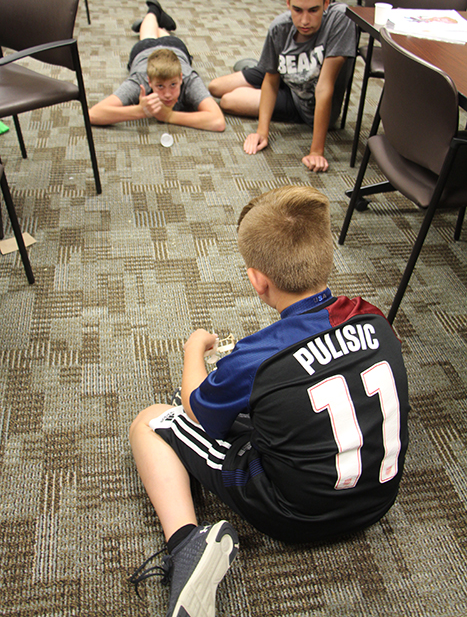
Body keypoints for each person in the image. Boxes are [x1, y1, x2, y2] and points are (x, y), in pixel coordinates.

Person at [129, 185, 409, 616]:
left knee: (151, 421)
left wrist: (193, 349)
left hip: (297, 514)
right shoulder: (372, 316)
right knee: (266, 402)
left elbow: (194, 407)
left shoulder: (257, 356)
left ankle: (186, 544)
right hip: (379, 501)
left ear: (257, 280)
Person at [208, 0, 357, 172]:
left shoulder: (340, 20)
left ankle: (254, 65)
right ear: (288, 4)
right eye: (297, 10)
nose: (304, 21)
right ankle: (256, 64)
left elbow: (324, 87)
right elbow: (271, 79)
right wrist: (262, 131)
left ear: (326, 2)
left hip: (303, 99)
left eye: (314, 10)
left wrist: (316, 151)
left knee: (228, 100)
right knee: (215, 87)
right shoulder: (279, 27)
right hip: (284, 72)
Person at [89, 0, 226, 132]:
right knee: (148, 37)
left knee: (156, 36)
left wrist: (169, 116)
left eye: (173, 85)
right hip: (144, 50)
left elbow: (218, 122)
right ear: (149, 81)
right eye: (160, 86)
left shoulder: (189, 79)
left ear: (180, 78)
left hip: (174, 47)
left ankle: (156, 18)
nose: (167, 94)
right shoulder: (140, 80)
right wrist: (138, 111)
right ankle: (153, 11)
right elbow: (92, 114)